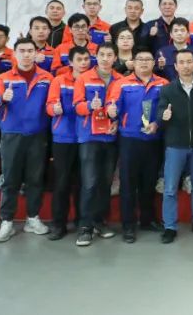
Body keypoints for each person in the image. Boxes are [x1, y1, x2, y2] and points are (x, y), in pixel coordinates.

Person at [0, 38, 54, 243]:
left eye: (30, 51)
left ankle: (32, 218)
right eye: (22, 51)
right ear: (15, 54)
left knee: (35, 179)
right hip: (12, 135)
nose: (26, 54)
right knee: (10, 179)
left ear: (36, 53)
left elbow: (52, 103)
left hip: (38, 134)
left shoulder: (47, 78)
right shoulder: (4, 78)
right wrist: (2, 99)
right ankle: (7, 221)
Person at [106, 48, 169, 243]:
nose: (144, 62)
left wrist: (157, 123)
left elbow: (167, 108)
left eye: (148, 59)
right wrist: (111, 111)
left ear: (154, 63)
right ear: (133, 63)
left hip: (154, 139)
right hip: (129, 139)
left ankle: (147, 220)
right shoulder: (122, 83)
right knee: (128, 183)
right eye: (140, 59)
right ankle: (128, 225)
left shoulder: (163, 84)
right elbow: (112, 106)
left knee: (149, 182)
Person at [156, 49, 193, 244]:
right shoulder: (168, 89)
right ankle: (170, 226)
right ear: (176, 66)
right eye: (182, 62)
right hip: (175, 145)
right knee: (170, 188)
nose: (186, 66)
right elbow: (160, 112)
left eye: (189, 62)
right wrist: (163, 115)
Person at [72, 43, 123, 246]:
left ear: (115, 58)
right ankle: (85, 227)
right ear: (96, 56)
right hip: (89, 137)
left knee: (105, 183)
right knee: (89, 182)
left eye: (109, 55)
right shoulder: (84, 78)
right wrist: (88, 106)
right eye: (102, 54)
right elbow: (76, 106)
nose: (105, 58)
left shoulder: (121, 80)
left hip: (110, 137)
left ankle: (100, 222)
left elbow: (124, 108)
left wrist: (117, 120)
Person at [45, 46, 91, 241]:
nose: (83, 63)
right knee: (62, 182)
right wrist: (54, 109)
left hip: (87, 137)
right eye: (79, 59)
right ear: (71, 62)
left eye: (86, 59)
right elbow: (49, 106)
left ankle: (82, 222)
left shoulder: (93, 81)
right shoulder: (59, 80)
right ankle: (59, 224)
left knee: (83, 182)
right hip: (64, 137)